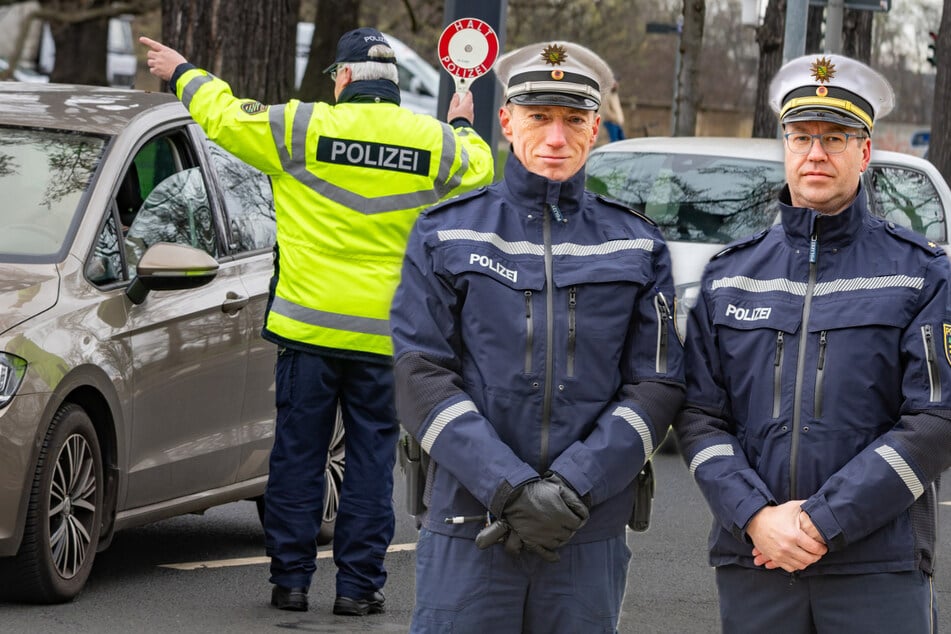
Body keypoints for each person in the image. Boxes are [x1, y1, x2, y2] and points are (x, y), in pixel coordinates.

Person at [141, 29, 494, 615]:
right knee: (372, 460)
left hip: (307, 333)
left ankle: (292, 583)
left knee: (299, 456)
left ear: (346, 78)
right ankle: (358, 589)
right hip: (385, 339)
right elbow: (479, 168)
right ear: (393, 86)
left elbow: (223, 117)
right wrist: (459, 122)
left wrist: (183, 70)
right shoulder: (433, 144)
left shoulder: (301, 128)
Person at [390, 40, 685, 633]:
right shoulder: (445, 233)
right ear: (506, 121)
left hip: (585, 527)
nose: (556, 138)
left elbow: (657, 385)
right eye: (538, 117)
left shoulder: (638, 245)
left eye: (574, 120)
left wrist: (575, 485)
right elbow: (420, 374)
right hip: (469, 523)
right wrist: (511, 487)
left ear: (596, 128)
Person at [674, 53, 951, 633]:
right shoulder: (730, 276)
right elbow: (699, 418)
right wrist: (755, 517)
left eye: (836, 137)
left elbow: (936, 421)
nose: (816, 153)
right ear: (786, 146)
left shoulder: (921, 274)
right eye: (801, 137)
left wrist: (824, 520)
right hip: (757, 562)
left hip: (877, 566)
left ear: (865, 151)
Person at [599, 78, 625, 144]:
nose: (615, 85)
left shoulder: (615, 95)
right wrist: (615, 119)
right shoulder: (606, 95)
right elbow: (606, 111)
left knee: (623, 142)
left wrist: (620, 120)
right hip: (611, 123)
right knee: (614, 143)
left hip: (618, 123)